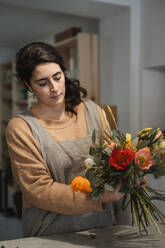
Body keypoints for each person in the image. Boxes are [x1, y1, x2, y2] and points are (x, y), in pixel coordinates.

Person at [6, 42, 126, 237]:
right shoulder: (22, 127)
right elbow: (38, 189)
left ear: (64, 72)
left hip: (101, 224)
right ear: (28, 85)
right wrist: (97, 198)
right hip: (50, 230)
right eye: (43, 83)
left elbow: (114, 159)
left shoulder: (93, 111)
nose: (54, 88)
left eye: (57, 77)